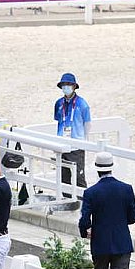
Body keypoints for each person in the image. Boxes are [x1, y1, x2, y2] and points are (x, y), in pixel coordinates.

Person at [54, 72, 91, 210]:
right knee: (64, 176)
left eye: (68, 84)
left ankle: (84, 207)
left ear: (74, 86)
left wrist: (83, 141)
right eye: (64, 85)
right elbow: (59, 121)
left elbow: (87, 123)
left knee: (79, 178)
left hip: (76, 146)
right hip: (62, 145)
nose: (66, 87)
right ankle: (67, 205)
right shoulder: (58, 103)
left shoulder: (82, 104)